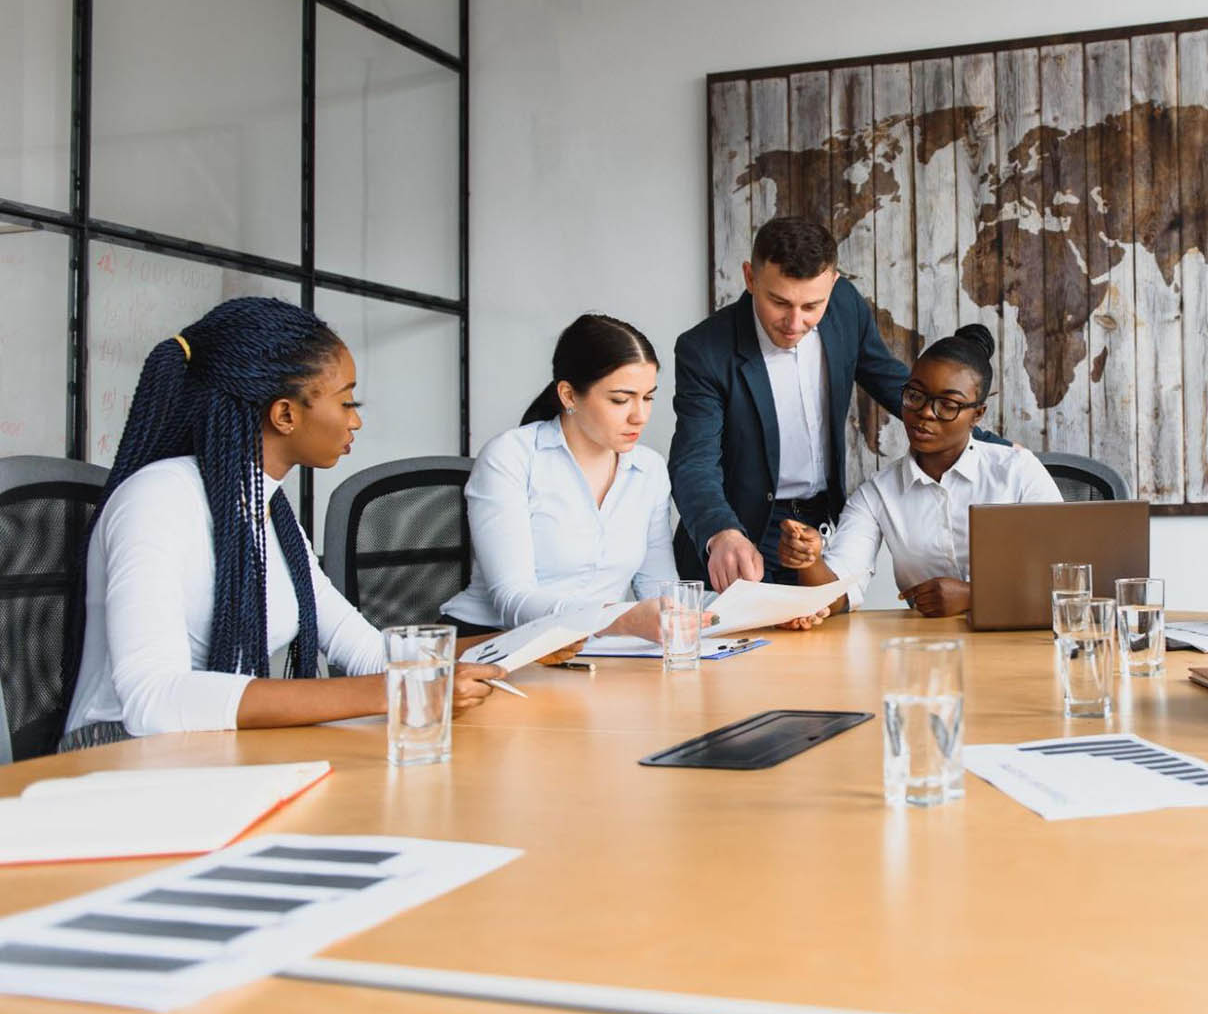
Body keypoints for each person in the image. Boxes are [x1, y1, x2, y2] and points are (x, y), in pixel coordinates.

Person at [62, 297, 506, 750]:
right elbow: (153, 701)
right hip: (116, 755)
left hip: (209, 754)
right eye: (347, 401)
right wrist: (398, 690)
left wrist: (519, 645)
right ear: (285, 414)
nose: (355, 420)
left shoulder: (270, 512)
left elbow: (372, 655)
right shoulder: (157, 500)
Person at [669, 215, 1002, 591]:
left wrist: (987, 441)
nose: (794, 322)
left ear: (834, 282)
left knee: (821, 645)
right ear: (750, 277)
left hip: (820, 526)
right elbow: (693, 461)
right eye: (779, 302)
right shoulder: (704, 349)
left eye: (812, 305)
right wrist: (721, 531)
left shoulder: (845, 306)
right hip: (742, 530)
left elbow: (893, 382)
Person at [776, 324, 1061, 622]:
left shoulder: (1018, 471)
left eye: (947, 405)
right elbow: (837, 593)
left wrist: (972, 595)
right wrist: (809, 560)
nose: (925, 412)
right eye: (915, 396)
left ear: (977, 415)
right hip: (926, 652)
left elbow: (1069, 578)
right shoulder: (877, 494)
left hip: (1018, 646)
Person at [441, 314, 693, 643]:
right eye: (620, 399)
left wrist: (750, 607)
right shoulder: (511, 457)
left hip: (590, 651)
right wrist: (618, 620)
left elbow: (658, 588)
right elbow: (512, 601)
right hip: (488, 644)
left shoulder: (650, 469)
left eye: (647, 398)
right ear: (569, 396)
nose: (640, 416)